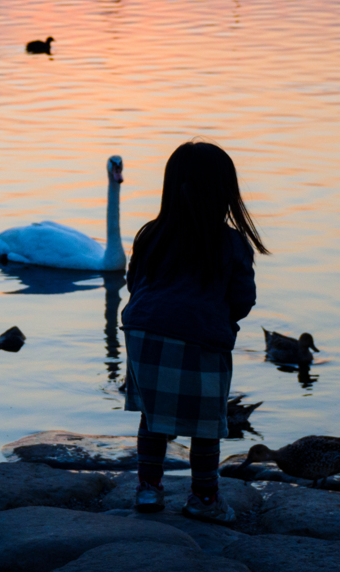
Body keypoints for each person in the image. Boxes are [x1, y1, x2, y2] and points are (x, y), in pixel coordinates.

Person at [121, 141, 268, 524]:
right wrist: (218, 321)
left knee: (152, 417)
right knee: (206, 427)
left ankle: (148, 491)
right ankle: (204, 498)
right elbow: (242, 300)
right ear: (225, 193)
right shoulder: (232, 243)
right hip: (200, 338)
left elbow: (134, 284)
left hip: (142, 334)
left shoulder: (150, 234)